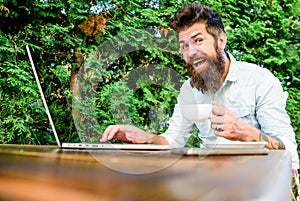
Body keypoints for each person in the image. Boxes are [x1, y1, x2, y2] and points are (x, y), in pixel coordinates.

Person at [100, 3, 299, 199]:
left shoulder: (260, 80)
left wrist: (247, 133)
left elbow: (287, 150)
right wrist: (145, 139)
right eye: (184, 45)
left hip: (258, 187)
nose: (191, 52)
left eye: (198, 40)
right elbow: (172, 141)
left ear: (221, 41)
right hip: (209, 187)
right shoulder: (189, 90)